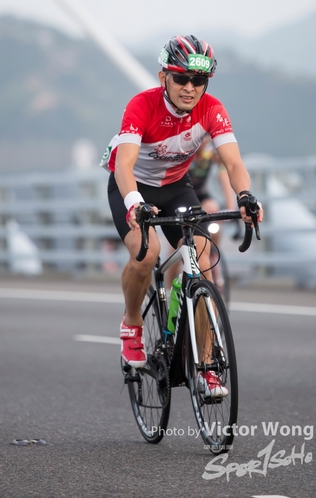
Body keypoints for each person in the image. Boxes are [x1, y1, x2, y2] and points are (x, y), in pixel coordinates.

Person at [101, 34, 263, 397]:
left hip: (176, 186)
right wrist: (134, 203)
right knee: (148, 254)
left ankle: (205, 368)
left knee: (202, 261)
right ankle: (131, 324)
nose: (190, 88)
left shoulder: (213, 109)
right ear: (164, 78)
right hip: (132, 186)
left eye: (199, 80)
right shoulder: (141, 105)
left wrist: (245, 196)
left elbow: (233, 162)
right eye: (181, 78)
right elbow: (124, 165)